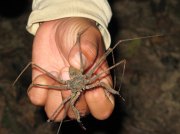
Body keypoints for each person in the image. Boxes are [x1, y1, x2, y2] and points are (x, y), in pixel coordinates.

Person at [26, 0, 114, 122]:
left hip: (79, 76)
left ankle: (117, 93)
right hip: (70, 82)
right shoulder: (72, 89)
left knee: (100, 83)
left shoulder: (86, 79)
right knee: (45, 90)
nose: (81, 90)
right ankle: (77, 122)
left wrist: (75, 15)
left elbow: (101, 83)